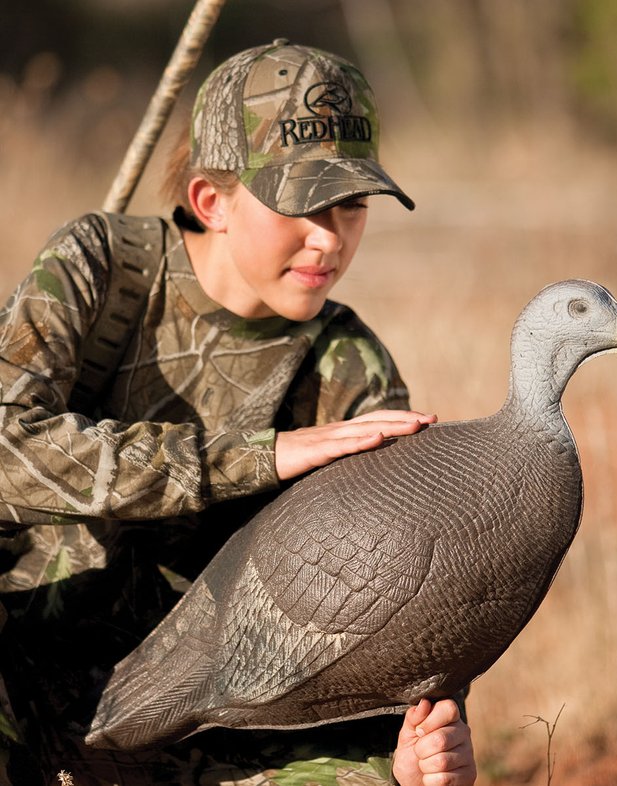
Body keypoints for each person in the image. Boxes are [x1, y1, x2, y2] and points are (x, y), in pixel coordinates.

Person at [0, 40, 476, 786]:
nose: (330, 239)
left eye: (352, 206)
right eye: (302, 205)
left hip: (205, 720)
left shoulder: (350, 369)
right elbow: (6, 445)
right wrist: (263, 455)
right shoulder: (98, 268)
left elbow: (393, 604)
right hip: (23, 684)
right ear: (210, 202)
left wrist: (427, 741)